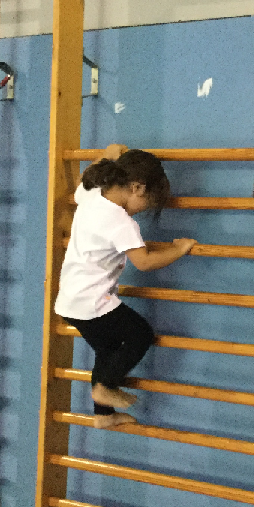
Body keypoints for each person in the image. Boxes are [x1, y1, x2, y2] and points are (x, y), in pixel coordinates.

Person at [54, 144, 196, 429]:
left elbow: (85, 177)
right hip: (92, 302)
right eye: (147, 204)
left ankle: (104, 415)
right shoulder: (121, 222)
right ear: (137, 188)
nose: (142, 212)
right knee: (140, 335)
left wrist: (107, 154)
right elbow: (144, 262)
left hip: (70, 301)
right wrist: (179, 249)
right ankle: (105, 388)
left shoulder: (92, 194)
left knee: (108, 350)